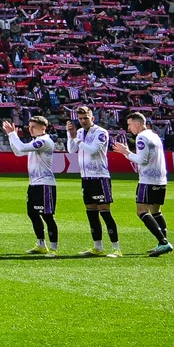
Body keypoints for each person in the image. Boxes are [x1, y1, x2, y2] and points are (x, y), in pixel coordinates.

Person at [115, 112, 174, 256]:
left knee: (141, 211)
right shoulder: (154, 135)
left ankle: (164, 242)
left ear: (138, 124)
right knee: (156, 212)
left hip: (148, 180)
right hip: (161, 179)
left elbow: (142, 160)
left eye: (130, 124)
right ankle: (162, 242)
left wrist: (126, 152)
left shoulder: (141, 137)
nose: (129, 128)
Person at [68, 105, 121, 257]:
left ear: (92, 118)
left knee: (105, 212)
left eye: (85, 118)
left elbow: (93, 150)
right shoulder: (78, 132)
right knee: (91, 213)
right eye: (80, 118)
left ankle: (116, 248)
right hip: (86, 177)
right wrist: (69, 134)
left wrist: (76, 138)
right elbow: (71, 150)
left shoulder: (101, 132)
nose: (83, 121)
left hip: (100, 176)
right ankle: (98, 247)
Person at [4, 115, 59, 255]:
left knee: (47, 216)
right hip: (34, 183)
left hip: (45, 184)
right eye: (29, 127)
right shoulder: (36, 141)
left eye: (33, 127)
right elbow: (18, 152)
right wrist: (11, 137)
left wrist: (12, 134)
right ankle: (41, 244)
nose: (30, 129)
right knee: (32, 213)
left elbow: (21, 148)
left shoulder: (44, 141)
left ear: (43, 128)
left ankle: (53, 248)